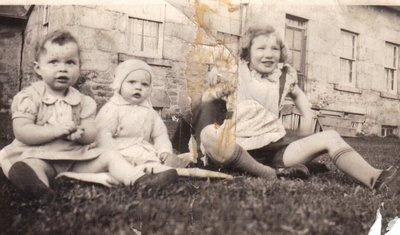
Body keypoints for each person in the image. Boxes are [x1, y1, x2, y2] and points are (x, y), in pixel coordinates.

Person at [175, 24, 400, 194]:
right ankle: (268, 175)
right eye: (261, 48)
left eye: (274, 48)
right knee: (210, 137)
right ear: (247, 52)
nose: (268, 53)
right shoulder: (236, 73)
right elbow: (205, 100)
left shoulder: (284, 75)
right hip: (240, 148)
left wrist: (306, 120)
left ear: (281, 53)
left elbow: (301, 99)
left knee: (330, 136)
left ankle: (376, 178)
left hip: (276, 152)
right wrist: (213, 85)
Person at [0, 30, 177, 201]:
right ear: (38, 68)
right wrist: (55, 131)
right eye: (54, 62)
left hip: (76, 158)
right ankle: (40, 190)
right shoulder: (29, 97)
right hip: (39, 155)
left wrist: (81, 133)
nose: (63, 69)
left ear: (79, 67)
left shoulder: (84, 101)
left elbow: (92, 132)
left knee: (109, 156)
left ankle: (139, 180)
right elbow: (22, 131)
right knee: (30, 167)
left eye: (70, 63)